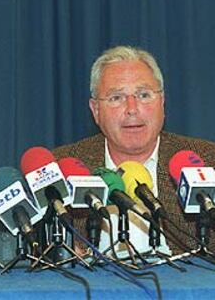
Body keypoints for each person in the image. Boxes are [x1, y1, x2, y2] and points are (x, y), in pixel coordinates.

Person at [53, 45, 215, 256]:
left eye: (144, 95)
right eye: (116, 98)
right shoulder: (61, 167)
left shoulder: (207, 160)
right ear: (96, 111)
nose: (131, 109)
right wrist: (59, 252)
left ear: (162, 103)